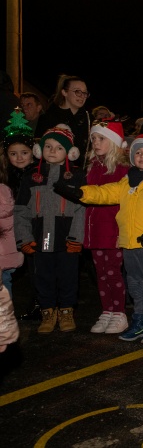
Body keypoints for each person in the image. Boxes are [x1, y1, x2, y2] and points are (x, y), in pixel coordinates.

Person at [56, 133, 143, 344]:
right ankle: (140, 319)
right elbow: (107, 192)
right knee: (136, 283)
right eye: (138, 152)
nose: (142, 156)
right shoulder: (128, 180)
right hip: (129, 241)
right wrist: (80, 193)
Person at [15, 125, 86, 333]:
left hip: (66, 240)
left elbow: (82, 209)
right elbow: (20, 210)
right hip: (41, 239)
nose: (52, 151)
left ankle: (66, 310)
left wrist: (76, 238)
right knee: (42, 276)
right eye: (48, 146)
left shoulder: (77, 176)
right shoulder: (31, 177)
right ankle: (47, 311)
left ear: (70, 153)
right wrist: (24, 237)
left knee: (68, 276)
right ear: (39, 149)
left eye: (58, 147)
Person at [84, 120, 130, 334]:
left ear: (113, 142)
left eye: (101, 138)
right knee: (100, 272)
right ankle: (106, 310)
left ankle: (119, 311)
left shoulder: (122, 169)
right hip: (95, 230)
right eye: (93, 138)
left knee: (113, 272)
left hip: (112, 229)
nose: (96, 142)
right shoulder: (93, 166)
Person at [2, 112, 39, 319]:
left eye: (23, 153)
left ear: (32, 153)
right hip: (9, 232)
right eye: (13, 153)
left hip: (33, 229)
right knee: (9, 270)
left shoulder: (37, 173)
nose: (18, 158)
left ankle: (40, 304)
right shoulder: (5, 176)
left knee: (36, 269)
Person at [35, 75, 91, 166]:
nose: (82, 96)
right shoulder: (48, 118)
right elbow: (39, 149)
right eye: (78, 92)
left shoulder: (89, 118)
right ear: (64, 92)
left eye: (85, 93)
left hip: (81, 174)